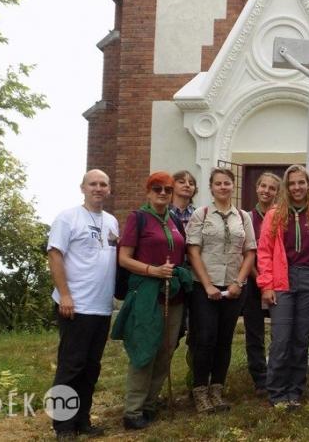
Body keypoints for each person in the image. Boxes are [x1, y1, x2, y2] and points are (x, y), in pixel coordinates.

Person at [112, 172, 193, 429]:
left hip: (174, 295)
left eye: (167, 190)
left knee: (166, 351)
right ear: (148, 191)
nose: (162, 193)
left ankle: (150, 403)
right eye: (157, 189)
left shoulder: (174, 221)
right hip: (147, 294)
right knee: (145, 349)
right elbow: (124, 258)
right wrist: (153, 270)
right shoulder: (138, 218)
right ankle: (133, 411)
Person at [47, 169, 119, 439]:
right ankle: (62, 426)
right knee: (71, 366)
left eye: (103, 184)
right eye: (93, 184)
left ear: (109, 189)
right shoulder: (68, 218)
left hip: (101, 307)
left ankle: (83, 420)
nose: (98, 188)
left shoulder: (112, 222)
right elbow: (55, 256)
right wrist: (64, 294)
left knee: (91, 367)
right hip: (75, 305)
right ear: (83, 188)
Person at [257, 164, 309, 408]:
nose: (297, 187)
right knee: (281, 339)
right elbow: (264, 252)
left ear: (308, 185)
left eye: (301, 182)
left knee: (301, 339)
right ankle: (277, 392)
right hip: (282, 279)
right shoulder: (275, 214)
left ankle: (294, 391)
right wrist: (266, 285)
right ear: (286, 188)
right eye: (292, 183)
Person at [186, 168, 256, 413]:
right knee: (204, 339)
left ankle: (217, 389)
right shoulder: (201, 214)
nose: (223, 187)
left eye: (227, 183)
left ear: (233, 186)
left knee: (224, 340)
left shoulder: (243, 216)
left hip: (234, 286)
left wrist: (239, 282)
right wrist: (207, 284)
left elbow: (249, 252)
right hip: (205, 286)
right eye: (218, 183)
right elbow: (193, 251)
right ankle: (199, 391)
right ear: (211, 187)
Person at [243, 172, 281, 394]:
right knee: (254, 332)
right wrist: (259, 277)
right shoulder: (247, 217)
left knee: (279, 331)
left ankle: (277, 371)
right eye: (263, 186)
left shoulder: (280, 216)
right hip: (253, 281)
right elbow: (247, 250)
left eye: (272, 188)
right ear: (257, 188)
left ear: (277, 192)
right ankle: (260, 378)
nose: (266, 191)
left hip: (279, 282)